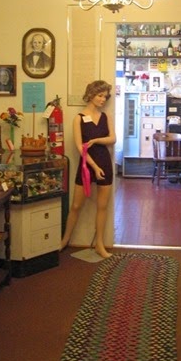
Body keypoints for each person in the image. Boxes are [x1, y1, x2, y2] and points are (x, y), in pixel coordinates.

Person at [60, 80, 116, 258]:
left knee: (102, 206)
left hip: (104, 162)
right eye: (100, 95)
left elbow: (112, 139)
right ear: (91, 95)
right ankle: (64, 240)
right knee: (76, 205)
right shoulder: (79, 118)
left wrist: (97, 140)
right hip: (86, 164)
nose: (102, 99)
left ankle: (99, 244)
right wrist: (94, 166)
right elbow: (79, 147)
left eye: (105, 97)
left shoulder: (106, 117)